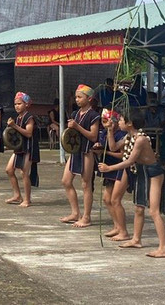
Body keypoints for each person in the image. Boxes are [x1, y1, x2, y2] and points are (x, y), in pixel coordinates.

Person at [98, 109, 165, 258]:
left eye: (121, 120)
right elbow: (113, 147)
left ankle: (164, 247)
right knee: (139, 208)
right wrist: (110, 131)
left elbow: (129, 161)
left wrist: (109, 168)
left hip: (154, 173)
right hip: (141, 172)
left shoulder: (140, 139)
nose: (119, 122)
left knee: (154, 211)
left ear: (130, 123)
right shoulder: (129, 136)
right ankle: (136, 239)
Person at [60, 84, 101, 228]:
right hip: (75, 151)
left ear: (89, 99)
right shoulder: (75, 114)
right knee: (66, 181)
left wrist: (77, 127)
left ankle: (87, 217)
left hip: (87, 151)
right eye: (76, 97)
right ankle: (75, 212)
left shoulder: (94, 115)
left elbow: (93, 136)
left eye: (80, 97)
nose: (77, 100)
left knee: (86, 184)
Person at [97, 110, 132, 242]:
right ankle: (117, 226)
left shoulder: (127, 135)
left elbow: (124, 156)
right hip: (111, 167)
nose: (104, 124)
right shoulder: (107, 132)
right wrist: (110, 132)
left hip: (121, 167)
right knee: (107, 199)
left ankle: (123, 230)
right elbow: (112, 147)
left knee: (115, 200)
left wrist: (106, 153)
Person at [4, 92, 37, 207]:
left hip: (28, 148)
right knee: (9, 170)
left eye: (19, 103)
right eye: (15, 104)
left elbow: (28, 133)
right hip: (19, 148)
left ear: (26, 104)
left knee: (24, 173)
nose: (17, 106)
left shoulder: (29, 117)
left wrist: (14, 126)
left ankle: (27, 199)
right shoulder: (18, 118)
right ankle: (17, 195)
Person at [48, 98, 63, 164]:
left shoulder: (62, 111)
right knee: (57, 128)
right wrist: (59, 124)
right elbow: (52, 120)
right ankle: (60, 141)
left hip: (60, 123)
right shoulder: (52, 112)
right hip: (52, 124)